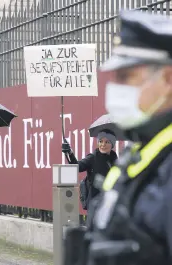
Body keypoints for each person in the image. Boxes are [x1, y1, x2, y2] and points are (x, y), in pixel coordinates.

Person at [64, 10, 172, 265]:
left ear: (167, 79)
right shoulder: (139, 156)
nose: (116, 88)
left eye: (127, 77)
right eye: (116, 78)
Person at [67, 130, 118, 210]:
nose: (103, 144)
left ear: (112, 145)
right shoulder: (92, 158)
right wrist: (70, 153)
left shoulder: (115, 160)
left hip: (109, 202)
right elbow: (77, 167)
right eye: (101, 141)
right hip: (94, 202)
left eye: (107, 142)